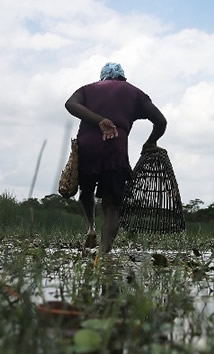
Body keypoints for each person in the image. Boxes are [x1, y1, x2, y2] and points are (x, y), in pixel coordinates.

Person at [65, 62, 167, 254]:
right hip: (115, 149)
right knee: (112, 206)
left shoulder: (88, 89)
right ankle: (103, 253)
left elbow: (70, 104)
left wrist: (99, 121)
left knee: (86, 190)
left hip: (87, 147)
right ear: (123, 77)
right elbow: (161, 122)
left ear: (102, 77)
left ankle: (90, 228)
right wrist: (151, 142)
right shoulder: (134, 93)